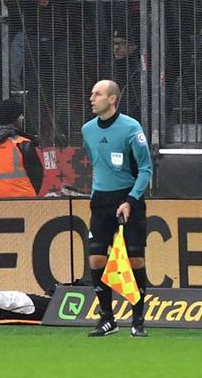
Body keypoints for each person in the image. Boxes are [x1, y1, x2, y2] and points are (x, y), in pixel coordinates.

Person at [81, 78, 153, 338]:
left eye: (97, 94)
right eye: (92, 93)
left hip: (128, 199)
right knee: (96, 258)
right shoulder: (87, 129)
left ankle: (138, 319)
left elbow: (146, 169)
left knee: (134, 259)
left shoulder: (131, 128)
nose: (91, 98)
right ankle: (107, 319)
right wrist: (95, 196)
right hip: (101, 200)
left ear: (112, 99)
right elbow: (98, 166)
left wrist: (131, 200)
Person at [0, 98, 44, 198]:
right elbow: (36, 175)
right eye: (20, 115)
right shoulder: (23, 143)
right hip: (24, 201)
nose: (23, 118)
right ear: (13, 118)